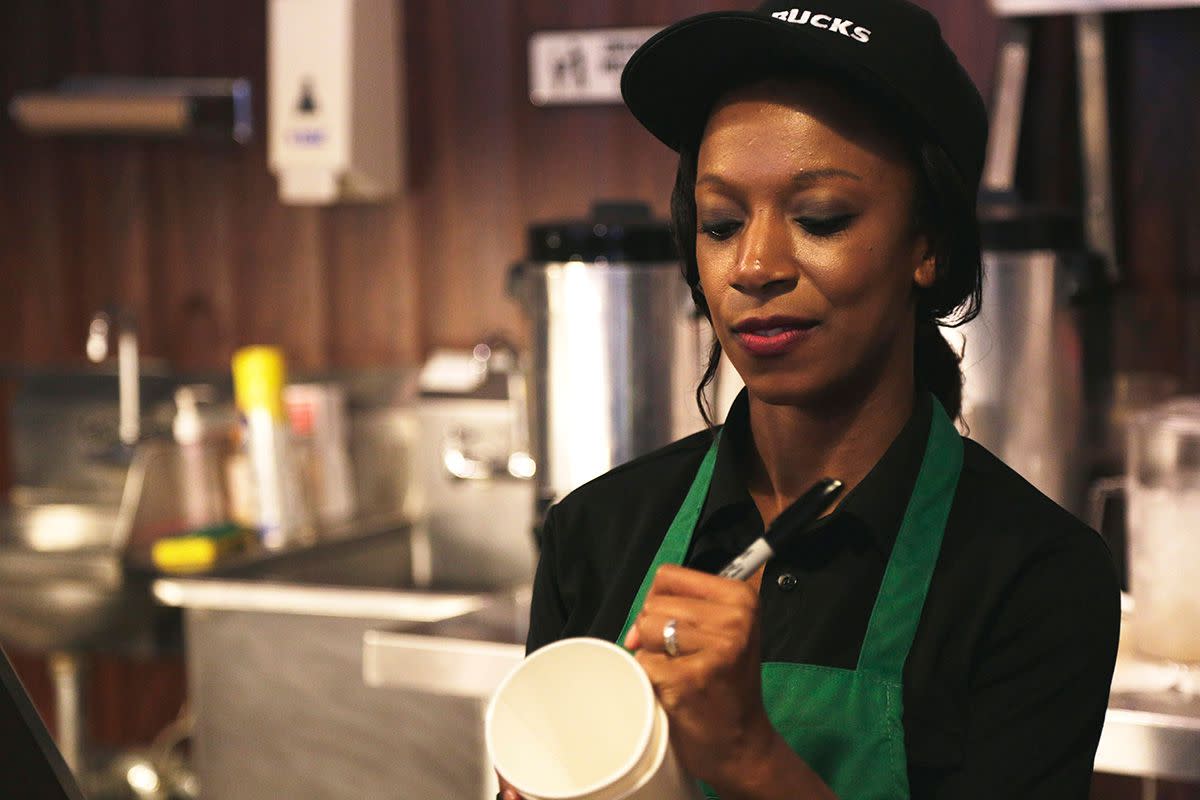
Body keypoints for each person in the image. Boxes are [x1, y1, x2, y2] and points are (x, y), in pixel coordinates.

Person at [502, 1, 1121, 798]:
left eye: (820, 218)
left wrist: (750, 757)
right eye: (721, 223)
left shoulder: (1034, 576)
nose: (754, 266)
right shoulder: (596, 533)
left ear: (926, 244)